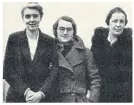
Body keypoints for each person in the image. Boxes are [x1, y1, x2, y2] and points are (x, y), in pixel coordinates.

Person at [3, 2, 56, 102]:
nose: (32, 20)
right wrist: (26, 91)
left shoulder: (50, 41)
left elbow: (55, 69)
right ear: (23, 18)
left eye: (35, 16)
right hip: (17, 96)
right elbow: (7, 70)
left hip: (42, 97)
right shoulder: (14, 39)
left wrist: (41, 93)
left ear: (40, 17)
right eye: (28, 16)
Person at [49, 16, 101, 102]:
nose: (65, 33)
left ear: (73, 32)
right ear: (56, 31)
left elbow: (95, 79)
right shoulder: (48, 51)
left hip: (78, 100)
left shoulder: (85, 53)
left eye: (69, 29)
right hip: (56, 99)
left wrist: (92, 100)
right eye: (62, 29)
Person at [91, 7, 132, 102]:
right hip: (100, 93)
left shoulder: (130, 45)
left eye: (122, 22)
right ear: (108, 22)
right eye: (115, 21)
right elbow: (92, 69)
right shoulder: (98, 42)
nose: (118, 25)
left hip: (123, 96)